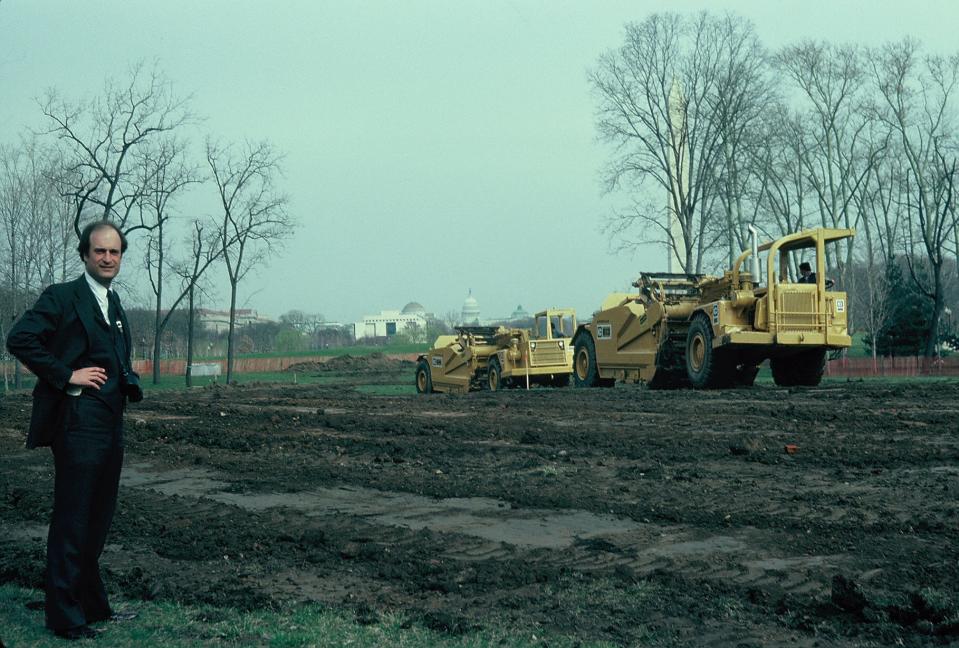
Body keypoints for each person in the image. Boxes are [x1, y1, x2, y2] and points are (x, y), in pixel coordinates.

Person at [6, 220, 142, 641]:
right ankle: (64, 617)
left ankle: (91, 605)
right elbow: (20, 338)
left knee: (98, 520)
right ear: (84, 254)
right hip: (77, 425)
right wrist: (67, 375)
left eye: (114, 252)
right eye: (99, 251)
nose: (107, 258)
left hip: (111, 424)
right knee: (73, 520)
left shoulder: (114, 302)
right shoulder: (62, 297)